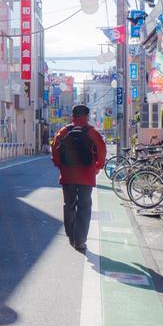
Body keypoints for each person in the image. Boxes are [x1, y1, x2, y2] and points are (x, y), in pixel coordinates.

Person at [51, 105, 107, 253]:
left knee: (69, 205)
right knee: (84, 206)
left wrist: (61, 166)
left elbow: (55, 151)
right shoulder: (92, 132)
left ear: (73, 116)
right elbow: (101, 150)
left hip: (67, 175)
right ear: (87, 116)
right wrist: (97, 167)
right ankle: (80, 240)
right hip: (86, 175)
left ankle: (71, 235)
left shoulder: (64, 132)